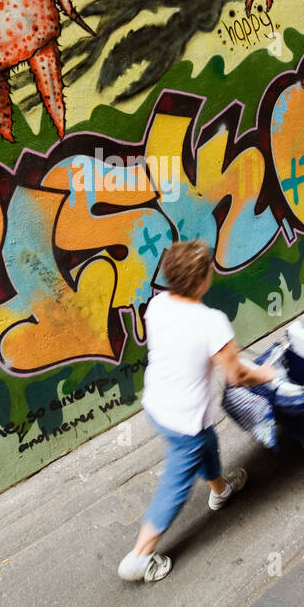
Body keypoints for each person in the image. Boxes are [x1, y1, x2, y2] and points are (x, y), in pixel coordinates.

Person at [117, 239, 277, 582]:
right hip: (184, 420)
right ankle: (138, 558)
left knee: (208, 443)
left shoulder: (158, 305)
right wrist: (267, 373)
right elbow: (238, 375)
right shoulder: (211, 322)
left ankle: (220, 491)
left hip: (159, 405)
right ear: (203, 281)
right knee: (175, 486)